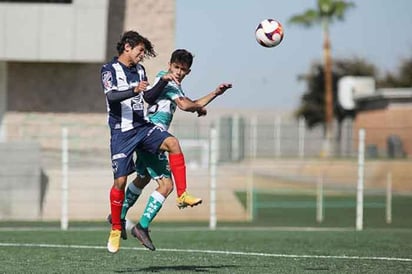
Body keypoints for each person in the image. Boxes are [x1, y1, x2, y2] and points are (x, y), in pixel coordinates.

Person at [100, 31, 204, 254]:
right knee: (119, 182)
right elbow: (111, 97)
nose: (142, 55)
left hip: (143, 127)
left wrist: (161, 81)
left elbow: (147, 97)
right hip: (121, 133)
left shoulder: (140, 70)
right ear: (127, 47)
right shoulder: (109, 69)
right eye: (140, 50)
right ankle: (116, 227)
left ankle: (182, 193)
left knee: (173, 144)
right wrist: (133, 90)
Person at [119, 49, 232, 251]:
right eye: (176, 67)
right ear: (170, 64)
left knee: (143, 178)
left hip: (146, 135)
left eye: (183, 69)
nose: (179, 72)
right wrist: (195, 106)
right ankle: (146, 223)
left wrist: (214, 94)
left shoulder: (174, 85)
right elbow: (177, 103)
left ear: (188, 72)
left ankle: (119, 214)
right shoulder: (166, 78)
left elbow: (189, 103)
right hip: (151, 133)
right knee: (166, 182)